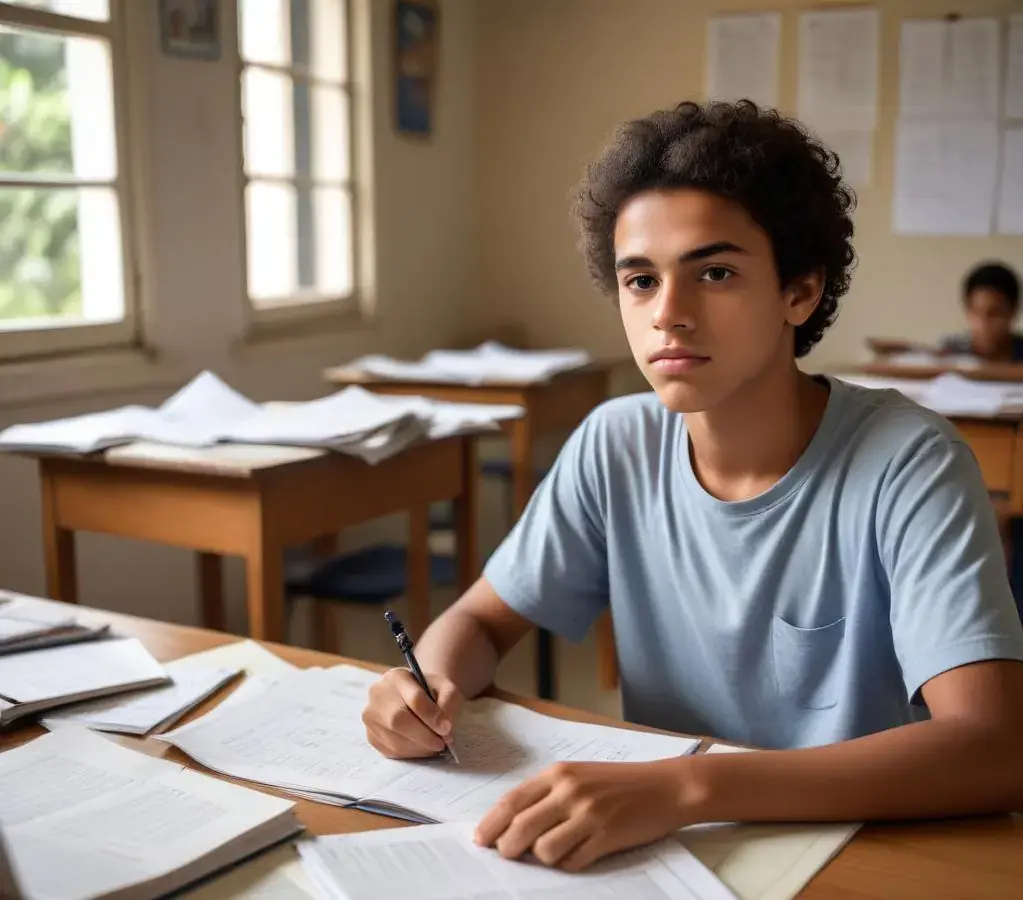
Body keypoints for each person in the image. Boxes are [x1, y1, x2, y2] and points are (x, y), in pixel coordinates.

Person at [362, 101, 1023, 871]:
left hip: (862, 853)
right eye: (640, 280)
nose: (667, 315)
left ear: (798, 292)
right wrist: (429, 683)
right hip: (664, 862)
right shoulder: (615, 443)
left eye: (714, 273)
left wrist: (689, 787)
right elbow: (479, 620)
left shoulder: (909, 462)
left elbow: (994, 748)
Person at [938, 263, 1023, 362]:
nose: (983, 322)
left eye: (994, 313)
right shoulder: (951, 353)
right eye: (976, 312)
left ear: (1013, 311)